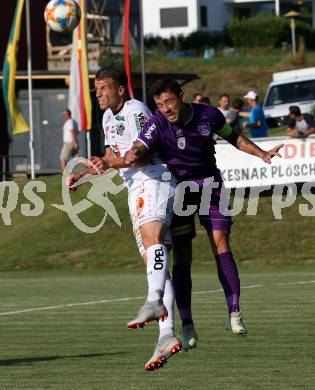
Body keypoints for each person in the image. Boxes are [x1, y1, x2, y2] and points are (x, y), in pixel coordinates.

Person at [125, 79, 283, 346]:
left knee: (221, 242)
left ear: (182, 97)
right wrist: (134, 151)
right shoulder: (158, 122)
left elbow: (234, 137)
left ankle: (234, 311)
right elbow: (142, 143)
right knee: (183, 255)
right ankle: (187, 325)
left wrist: (262, 154)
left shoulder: (208, 115)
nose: (165, 109)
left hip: (211, 186)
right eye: (160, 104)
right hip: (179, 191)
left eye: (169, 101)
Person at [66, 68, 181, 371]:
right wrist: (85, 174)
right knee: (155, 264)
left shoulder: (136, 110)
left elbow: (142, 155)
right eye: (96, 88)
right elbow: (110, 155)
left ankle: (154, 301)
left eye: (104, 87)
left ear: (121, 89)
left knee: (153, 241)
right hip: (135, 187)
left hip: (154, 178)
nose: (99, 93)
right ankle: (166, 334)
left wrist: (109, 162)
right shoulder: (107, 118)